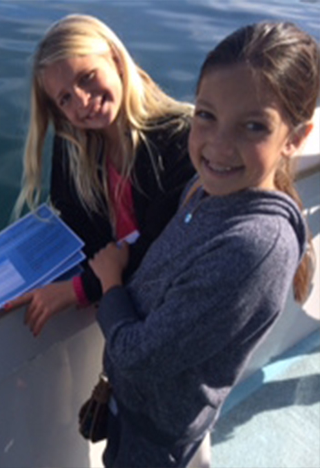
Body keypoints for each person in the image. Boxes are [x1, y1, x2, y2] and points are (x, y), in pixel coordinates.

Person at [89, 21, 318, 468]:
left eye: (253, 127)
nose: (218, 145)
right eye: (206, 115)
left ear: (295, 138)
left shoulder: (253, 249)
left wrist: (110, 287)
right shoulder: (203, 189)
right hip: (136, 415)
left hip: (160, 441)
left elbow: (138, 357)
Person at [8, 14, 196, 336]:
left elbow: (163, 245)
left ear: (115, 58)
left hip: (167, 312)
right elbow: (68, 225)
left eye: (87, 77)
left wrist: (76, 290)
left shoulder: (182, 139)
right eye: (64, 98)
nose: (82, 102)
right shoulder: (73, 149)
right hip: (117, 300)